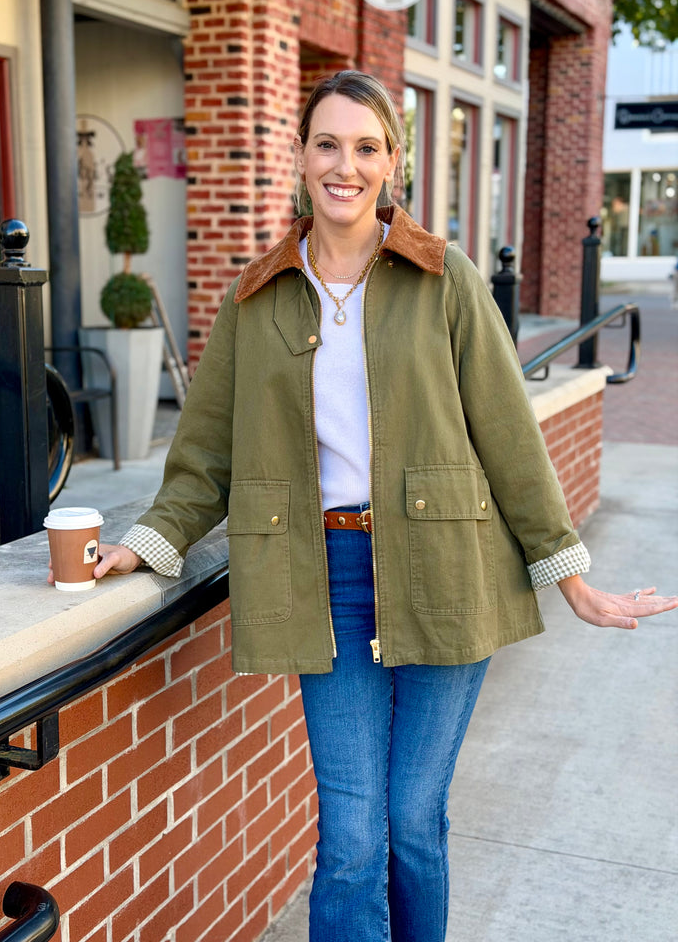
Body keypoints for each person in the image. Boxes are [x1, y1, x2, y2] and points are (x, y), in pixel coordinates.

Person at [49, 70, 678, 941]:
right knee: (350, 836)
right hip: (325, 577)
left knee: (414, 824)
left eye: (367, 147)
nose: (345, 165)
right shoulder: (255, 293)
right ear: (301, 158)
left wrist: (570, 577)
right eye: (328, 144)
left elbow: (508, 436)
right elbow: (204, 457)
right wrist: (150, 540)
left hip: (450, 572)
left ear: (394, 164)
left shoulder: (444, 278)